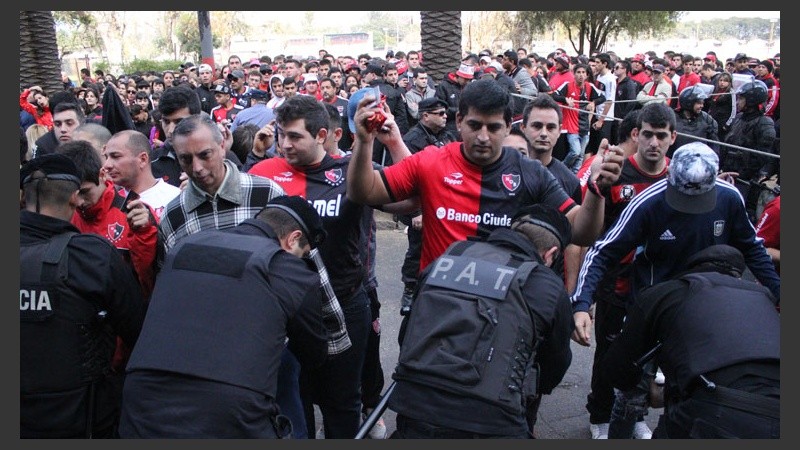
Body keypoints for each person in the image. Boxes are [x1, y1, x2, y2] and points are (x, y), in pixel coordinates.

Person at [248, 94, 411, 439]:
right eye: (281, 134)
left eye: (295, 137)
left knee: (342, 401)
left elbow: (410, 198)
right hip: (285, 309)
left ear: (322, 135)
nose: (285, 144)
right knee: (295, 397)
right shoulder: (263, 174)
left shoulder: (352, 171)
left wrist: (395, 142)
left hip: (346, 304)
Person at [347, 78, 624, 276]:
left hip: (501, 319)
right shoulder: (430, 161)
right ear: (458, 123)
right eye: (474, 125)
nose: (482, 136)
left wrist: (596, 191)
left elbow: (582, 232)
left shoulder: (530, 172)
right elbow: (364, 191)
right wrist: (364, 140)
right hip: (435, 311)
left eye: (493, 128)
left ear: (508, 127)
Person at [119, 196, 329, 438]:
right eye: (301, 254)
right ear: (293, 239)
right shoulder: (285, 268)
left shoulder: (185, 245)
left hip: (143, 397)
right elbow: (314, 352)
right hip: (228, 411)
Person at [388, 204, 575, 438]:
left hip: (414, 407)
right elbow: (555, 362)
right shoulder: (547, 285)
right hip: (491, 421)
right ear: (550, 254)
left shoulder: (449, 257)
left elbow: (407, 334)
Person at [571, 141, 780, 347]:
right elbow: (602, 251)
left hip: (707, 304)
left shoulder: (730, 198)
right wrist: (582, 304)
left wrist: (778, 291)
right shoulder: (648, 202)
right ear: (669, 173)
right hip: (654, 303)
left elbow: (753, 248)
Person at [20, 154, 146, 438]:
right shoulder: (92, 255)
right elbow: (136, 329)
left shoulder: (91, 254)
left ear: (21, 197)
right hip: (81, 419)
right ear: (75, 198)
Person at [599, 244, 779, 438]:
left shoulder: (670, 292)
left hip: (714, 409)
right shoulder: (764, 299)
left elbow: (616, 370)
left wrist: (644, 389)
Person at [150, 85, 242, 187]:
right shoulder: (152, 162)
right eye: (166, 121)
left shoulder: (225, 158)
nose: (171, 130)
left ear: (196, 118)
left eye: (179, 122)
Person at [721, 80, 777, 223]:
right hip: (729, 174)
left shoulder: (764, 123)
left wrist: (745, 174)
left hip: (747, 180)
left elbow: (762, 155)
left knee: (743, 215)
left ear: (751, 101)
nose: (738, 101)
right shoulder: (739, 118)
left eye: (742, 98)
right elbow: (727, 143)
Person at [102, 130, 180, 221]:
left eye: (115, 156)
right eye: (106, 158)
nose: (107, 165)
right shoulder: (109, 203)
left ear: (142, 159)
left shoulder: (176, 198)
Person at [550, 63, 606, 173]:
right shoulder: (567, 85)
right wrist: (565, 99)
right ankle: (561, 169)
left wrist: (593, 102)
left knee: (580, 156)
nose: (581, 75)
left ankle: (574, 177)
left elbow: (603, 98)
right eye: (578, 72)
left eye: (583, 72)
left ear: (587, 75)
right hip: (571, 125)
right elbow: (554, 95)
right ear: (574, 74)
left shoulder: (590, 87)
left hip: (584, 126)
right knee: (575, 152)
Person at [668, 85, 719, 158]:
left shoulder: (707, 119)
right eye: (699, 103)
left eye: (702, 103)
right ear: (689, 103)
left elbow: (714, 144)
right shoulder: (672, 118)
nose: (702, 106)